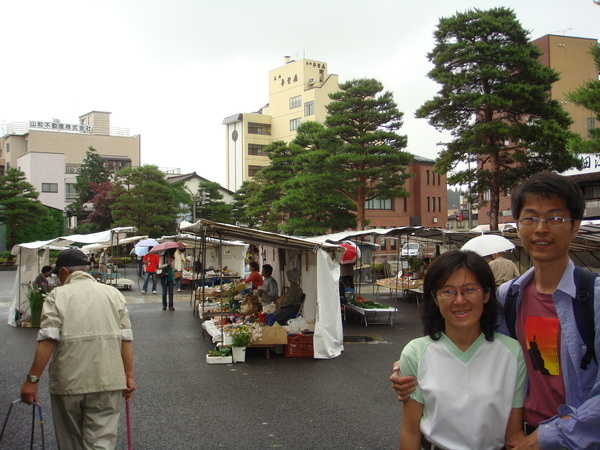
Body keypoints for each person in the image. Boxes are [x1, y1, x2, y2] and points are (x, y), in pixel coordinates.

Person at [391, 172, 600, 449]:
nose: (541, 228)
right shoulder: (509, 296)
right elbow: (476, 347)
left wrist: (550, 435)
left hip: (577, 440)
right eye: (530, 218)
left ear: (575, 227)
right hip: (522, 434)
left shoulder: (594, 299)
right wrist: (410, 366)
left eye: (555, 218)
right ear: (518, 225)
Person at [399, 250, 526, 449]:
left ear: (486, 294)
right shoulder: (416, 353)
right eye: (448, 291)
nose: (459, 300)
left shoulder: (511, 353)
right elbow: (411, 430)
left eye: (469, 289)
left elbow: (514, 433)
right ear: (435, 298)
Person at [20, 249, 135, 449]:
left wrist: (32, 380)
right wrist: (129, 375)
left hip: (68, 381)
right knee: (102, 442)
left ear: (65, 271)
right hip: (108, 379)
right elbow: (125, 339)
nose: (58, 279)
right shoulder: (113, 294)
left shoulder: (58, 295)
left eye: (58, 274)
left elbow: (48, 339)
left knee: (71, 441)